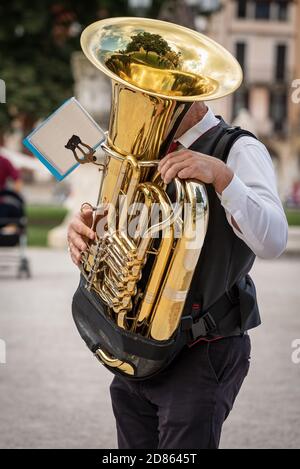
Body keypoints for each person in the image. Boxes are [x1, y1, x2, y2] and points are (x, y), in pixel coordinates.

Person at [67, 102, 288, 449]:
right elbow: (132, 227)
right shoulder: (148, 149)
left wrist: (223, 177)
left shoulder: (239, 148)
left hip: (201, 350)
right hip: (136, 347)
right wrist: (92, 229)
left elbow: (274, 241)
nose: (146, 98)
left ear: (196, 94)